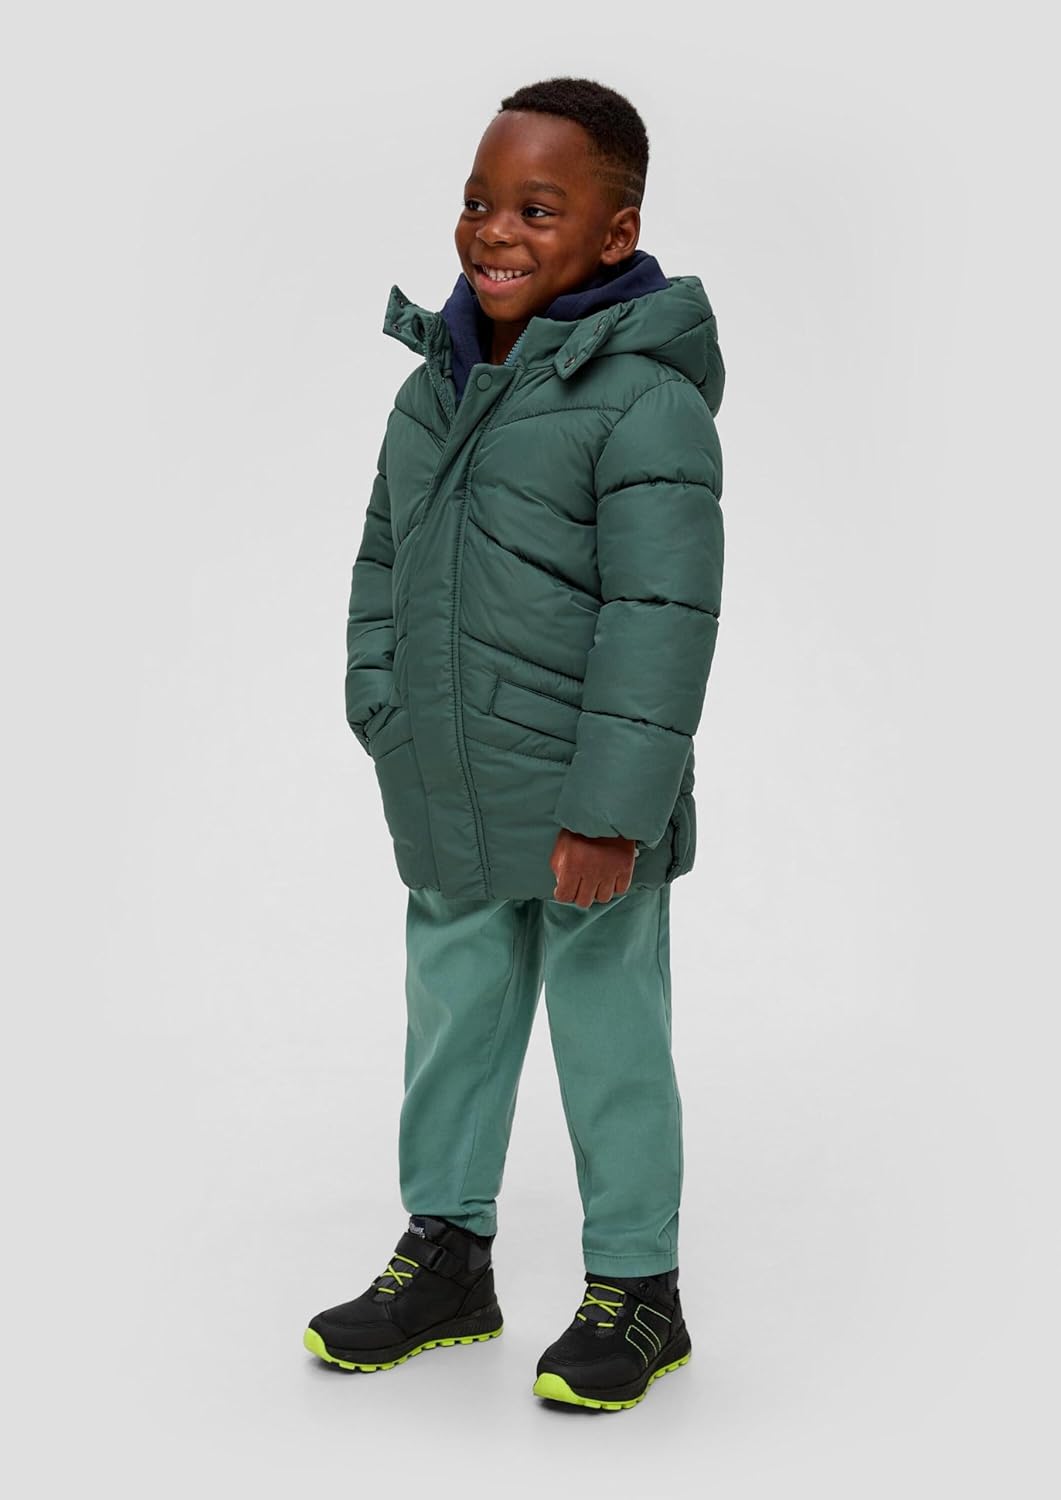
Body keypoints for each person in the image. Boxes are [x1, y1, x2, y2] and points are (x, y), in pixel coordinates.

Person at [304, 75, 726, 1412]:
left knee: (609, 1041)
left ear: (615, 233)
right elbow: (381, 564)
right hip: (449, 781)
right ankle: (447, 1257)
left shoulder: (643, 402)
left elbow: (662, 620)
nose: (495, 230)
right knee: (453, 1025)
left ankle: (639, 1289)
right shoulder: (429, 390)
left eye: (538, 209)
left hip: (590, 810)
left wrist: (612, 810)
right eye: (479, 201)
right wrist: (382, 709)